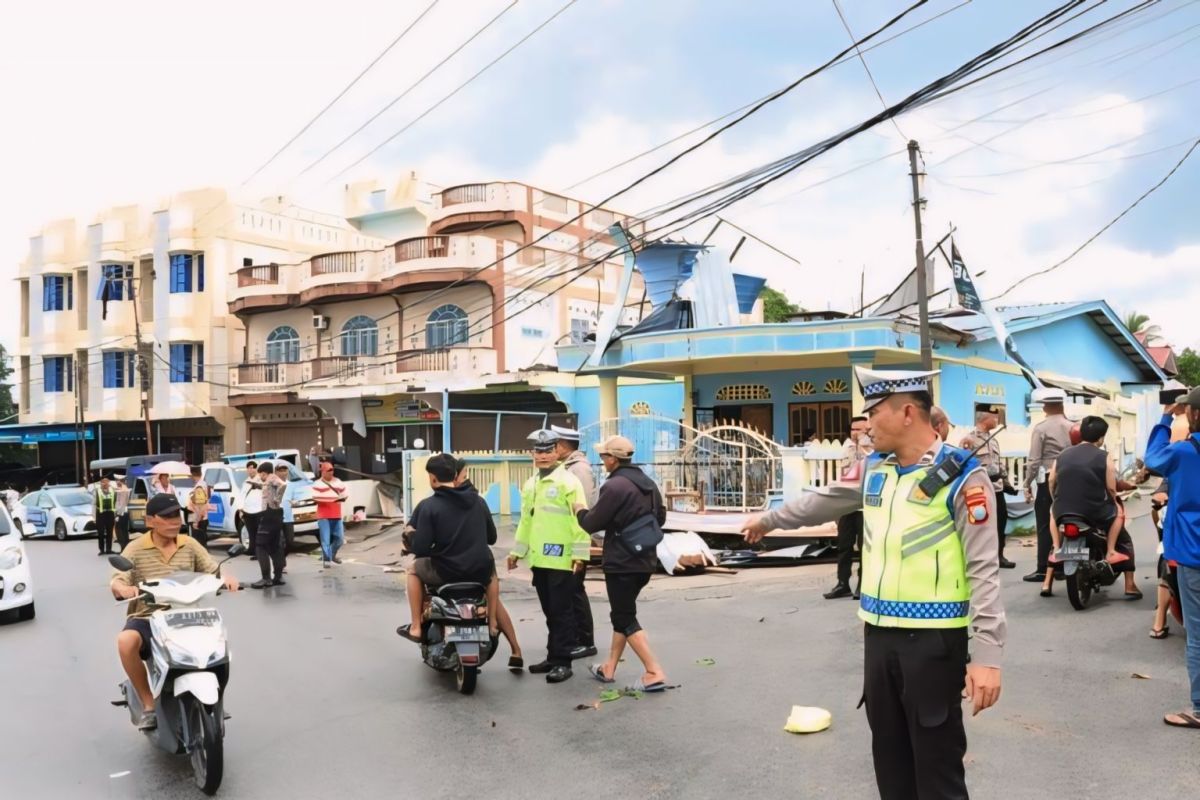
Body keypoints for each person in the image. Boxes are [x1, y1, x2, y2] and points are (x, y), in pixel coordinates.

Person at [742, 368, 1005, 798]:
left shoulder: (962, 476)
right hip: (879, 639)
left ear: (906, 413)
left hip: (935, 643)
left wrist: (988, 656)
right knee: (890, 762)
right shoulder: (874, 470)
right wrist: (768, 520)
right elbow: (820, 502)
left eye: (873, 412)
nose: (865, 424)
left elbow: (984, 571)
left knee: (937, 770)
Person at [111, 493, 239, 731]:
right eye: (167, 517)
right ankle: (148, 704)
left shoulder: (189, 544)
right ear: (150, 521)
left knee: (220, 645)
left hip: (189, 613)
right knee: (125, 641)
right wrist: (122, 588)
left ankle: (216, 699)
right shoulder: (136, 547)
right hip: (149, 616)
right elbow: (118, 578)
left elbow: (212, 568)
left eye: (176, 516)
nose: (175, 522)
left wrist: (227, 578)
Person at [576, 434, 669, 692]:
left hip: (622, 562)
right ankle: (609, 667)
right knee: (622, 613)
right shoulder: (648, 483)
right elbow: (660, 517)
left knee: (624, 616)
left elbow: (591, 523)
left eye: (604, 456)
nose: (602, 461)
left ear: (613, 459)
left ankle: (653, 671)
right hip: (645, 559)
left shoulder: (615, 486)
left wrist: (578, 510)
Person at [506, 430, 591, 684]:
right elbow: (526, 521)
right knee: (550, 612)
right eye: (538, 451)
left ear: (557, 452)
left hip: (562, 559)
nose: (542, 456)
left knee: (562, 612)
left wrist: (579, 555)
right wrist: (516, 552)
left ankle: (563, 662)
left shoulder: (568, 482)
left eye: (548, 451)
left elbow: (580, 521)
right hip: (540, 560)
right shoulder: (531, 484)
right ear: (533, 454)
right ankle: (553, 657)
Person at [399, 454, 503, 638]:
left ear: (432, 478)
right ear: (455, 475)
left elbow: (421, 549)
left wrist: (412, 537)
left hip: (445, 572)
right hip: (479, 572)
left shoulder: (428, 506)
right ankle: (493, 622)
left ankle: (416, 626)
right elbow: (492, 538)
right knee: (491, 568)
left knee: (413, 569)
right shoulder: (479, 501)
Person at [1145, 389, 1200, 730]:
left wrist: (1167, 416)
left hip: (1193, 554)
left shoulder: (1183, 452)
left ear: (1193, 414)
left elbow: (1152, 459)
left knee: (1197, 635)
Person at [1040, 416, 1140, 598]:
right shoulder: (1104, 456)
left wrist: (1056, 497)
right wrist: (1114, 498)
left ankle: (1056, 548)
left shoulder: (1062, 455)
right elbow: (1111, 487)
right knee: (1119, 517)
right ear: (1101, 438)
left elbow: (1052, 479)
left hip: (1064, 510)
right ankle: (1114, 558)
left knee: (1053, 511)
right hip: (1094, 512)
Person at [552, 424, 598, 660]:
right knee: (569, 591)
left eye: (554, 445)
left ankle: (585, 640)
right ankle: (574, 638)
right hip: (566, 538)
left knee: (575, 590)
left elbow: (583, 510)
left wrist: (580, 550)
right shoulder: (567, 467)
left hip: (577, 538)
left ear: (562, 446)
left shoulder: (579, 470)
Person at [1023, 388, 1074, 583]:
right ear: (1061, 405)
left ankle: (1044, 568)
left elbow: (1034, 460)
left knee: (1045, 525)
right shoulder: (1072, 426)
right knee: (1067, 522)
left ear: (1045, 407)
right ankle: (1064, 567)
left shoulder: (1041, 428)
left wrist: (1027, 483)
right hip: (1069, 479)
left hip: (1047, 481)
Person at [962, 406, 1017, 569]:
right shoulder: (969, 440)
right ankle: (982, 557)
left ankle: (999, 556)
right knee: (981, 525)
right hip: (980, 490)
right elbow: (965, 464)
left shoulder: (993, 440)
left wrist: (1007, 485)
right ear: (984, 418)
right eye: (994, 417)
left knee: (1001, 523)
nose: (997, 420)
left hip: (997, 489)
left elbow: (999, 465)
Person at [826, 416, 872, 599]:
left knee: (863, 548)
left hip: (864, 505)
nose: (855, 433)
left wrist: (864, 445)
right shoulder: (846, 448)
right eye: (853, 430)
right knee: (843, 546)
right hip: (846, 505)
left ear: (867, 430)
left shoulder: (873, 449)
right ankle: (842, 583)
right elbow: (843, 475)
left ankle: (863, 585)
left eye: (860, 430)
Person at [253, 462, 286, 589]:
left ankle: (266, 578)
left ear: (263, 473)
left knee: (260, 546)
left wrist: (277, 500)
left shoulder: (272, 478)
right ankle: (278, 577)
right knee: (274, 546)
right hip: (275, 516)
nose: (260, 477)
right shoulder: (269, 481)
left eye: (260, 474)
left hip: (269, 514)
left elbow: (282, 486)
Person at [311, 459, 348, 568]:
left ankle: (331, 555)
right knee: (325, 539)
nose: (331, 472)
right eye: (328, 470)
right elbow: (315, 498)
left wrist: (338, 498)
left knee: (340, 539)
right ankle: (327, 560)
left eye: (332, 470)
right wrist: (329, 500)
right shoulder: (317, 484)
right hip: (323, 516)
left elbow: (345, 494)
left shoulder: (338, 481)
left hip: (336, 514)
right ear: (323, 472)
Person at [239, 460, 264, 559]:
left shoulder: (261, 480)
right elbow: (242, 496)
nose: (251, 470)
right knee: (251, 532)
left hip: (258, 511)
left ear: (256, 469)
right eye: (249, 468)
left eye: (253, 467)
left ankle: (260, 552)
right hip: (247, 511)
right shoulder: (245, 482)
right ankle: (252, 550)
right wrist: (241, 509)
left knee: (259, 533)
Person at [278, 462, 298, 575]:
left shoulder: (291, 485)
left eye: (285, 471)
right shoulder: (274, 484)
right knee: (280, 542)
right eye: (281, 470)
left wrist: (294, 502)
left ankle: (281, 559)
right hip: (277, 517)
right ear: (277, 472)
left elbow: (295, 499)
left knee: (290, 542)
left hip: (289, 517)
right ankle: (280, 564)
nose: (283, 473)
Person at [93, 474, 118, 556]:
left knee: (109, 532)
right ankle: (101, 550)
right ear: (100, 483)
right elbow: (93, 504)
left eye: (106, 481)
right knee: (100, 532)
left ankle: (109, 549)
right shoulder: (97, 491)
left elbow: (116, 502)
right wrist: (94, 517)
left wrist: (116, 514)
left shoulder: (113, 490)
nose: (105, 483)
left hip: (110, 514)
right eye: (103, 482)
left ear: (109, 482)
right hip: (100, 514)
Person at [186, 465, 210, 549]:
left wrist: (196, 521)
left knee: (198, 544)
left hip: (198, 518)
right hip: (201, 517)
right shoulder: (202, 485)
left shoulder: (199, 487)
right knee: (201, 542)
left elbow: (199, 505)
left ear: (193, 474)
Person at [114, 477, 132, 550]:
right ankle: (124, 546)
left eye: (118, 481)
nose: (116, 482)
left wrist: (117, 514)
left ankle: (123, 547)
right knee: (124, 530)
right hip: (124, 512)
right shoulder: (124, 488)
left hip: (121, 512)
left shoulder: (122, 490)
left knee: (120, 531)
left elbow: (121, 503)